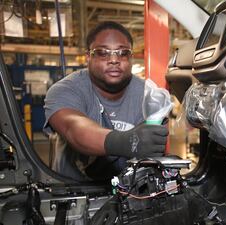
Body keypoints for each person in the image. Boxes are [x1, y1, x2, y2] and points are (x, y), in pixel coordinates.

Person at [43, 21, 168, 181]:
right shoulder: (66, 89)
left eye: (123, 53)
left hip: (129, 193)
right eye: (103, 52)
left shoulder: (148, 95)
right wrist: (128, 141)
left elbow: (153, 148)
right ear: (88, 57)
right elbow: (73, 128)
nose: (114, 59)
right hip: (73, 192)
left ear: (131, 58)